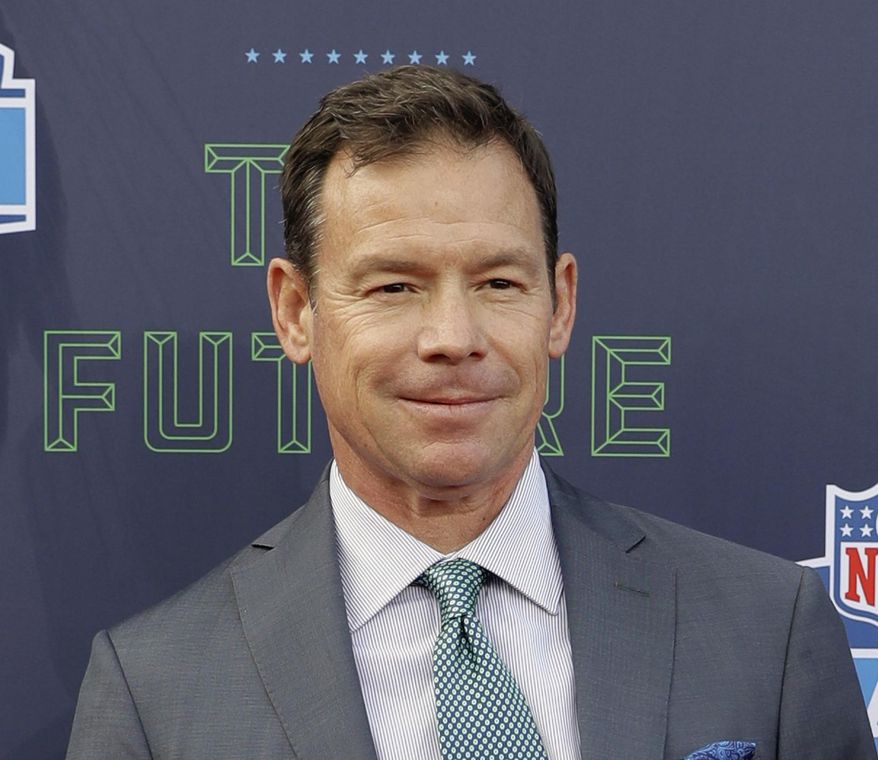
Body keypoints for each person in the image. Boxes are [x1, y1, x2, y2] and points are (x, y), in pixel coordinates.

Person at [67, 66, 874, 760]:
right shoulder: (154, 693)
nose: (453, 339)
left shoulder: (768, 630)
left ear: (559, 305)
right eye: (394, 287)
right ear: (295, 312)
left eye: (497, 283)